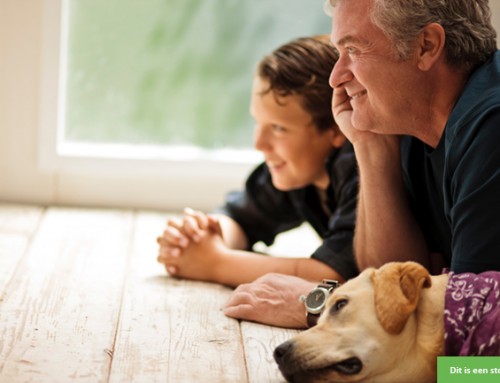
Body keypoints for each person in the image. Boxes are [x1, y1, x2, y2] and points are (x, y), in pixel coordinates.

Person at [223, 0, 500, 329]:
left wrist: (328, 307)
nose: (336, 78)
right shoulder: (410, 121)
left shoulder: (491, 129)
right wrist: (368, 144)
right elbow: (395, 279)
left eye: (353, 49)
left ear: (426, 46)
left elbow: (472, 335)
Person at [156, 35, 359, 290]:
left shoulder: (358, 170)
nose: (259, 143)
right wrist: (199, 237)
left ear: (336, 128)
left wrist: (216, 263)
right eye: (258, 123)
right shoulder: (301, 168)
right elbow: (241, 218)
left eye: (278, 128)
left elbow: (334, 275)